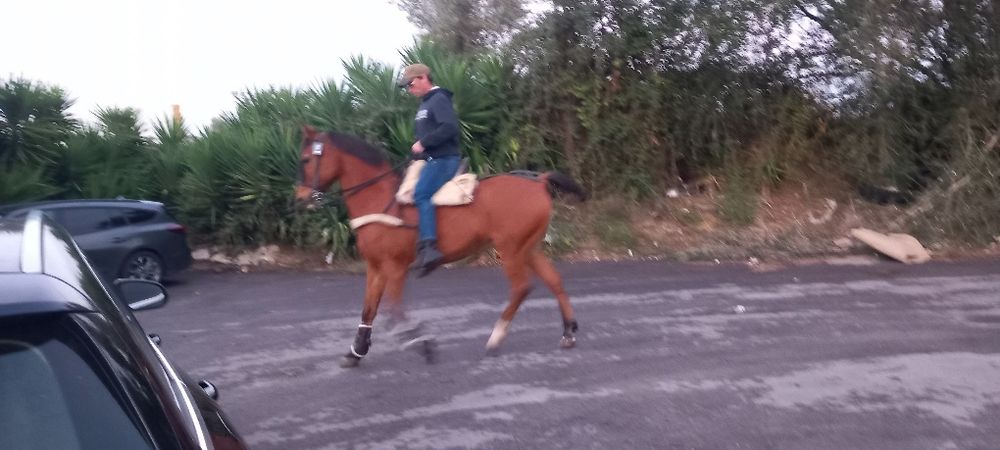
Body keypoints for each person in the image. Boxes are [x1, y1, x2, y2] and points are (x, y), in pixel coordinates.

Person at [398, 63, 461, 277]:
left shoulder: (439, 99)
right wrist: (419, 150)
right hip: (431, 159)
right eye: (406, 85)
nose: (409, 88)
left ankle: (430, 248)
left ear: (424, 77)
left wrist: (423, 143)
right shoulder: (425, 104)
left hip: (444, 160)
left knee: (421, 193)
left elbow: (450, 127)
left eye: (411, 83)